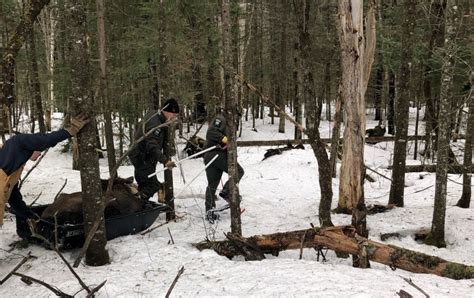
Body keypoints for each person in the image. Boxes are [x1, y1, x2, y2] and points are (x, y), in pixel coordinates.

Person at [0, 114, 90, 231]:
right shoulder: (19, 142)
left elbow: (14, 197)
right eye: (40, 150)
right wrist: (70, 131)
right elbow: (46, 139)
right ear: (35, 145)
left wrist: (30, 216)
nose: (39, 155)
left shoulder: (13, 164)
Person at [129, 98, 179, 202]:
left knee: (145, 183)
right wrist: (165, 161)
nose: (174, 118)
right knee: (153, 185)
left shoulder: (156, 116)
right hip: (142, 157)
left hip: (142, 156)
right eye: (173, 115)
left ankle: (140, 206)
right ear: (167, 111)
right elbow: (152, 145)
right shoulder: (155, 124)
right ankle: (137, 203)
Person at [203, 112, 244, 221]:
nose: (237, 119)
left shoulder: (229, 122)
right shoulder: (221, 118)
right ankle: (226, 192)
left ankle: (209, 212)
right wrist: (225, 139)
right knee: (239, 171)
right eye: (237, 116)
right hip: (215, 154)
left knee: (212, 185)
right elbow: (212, 132)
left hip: (214, 155)